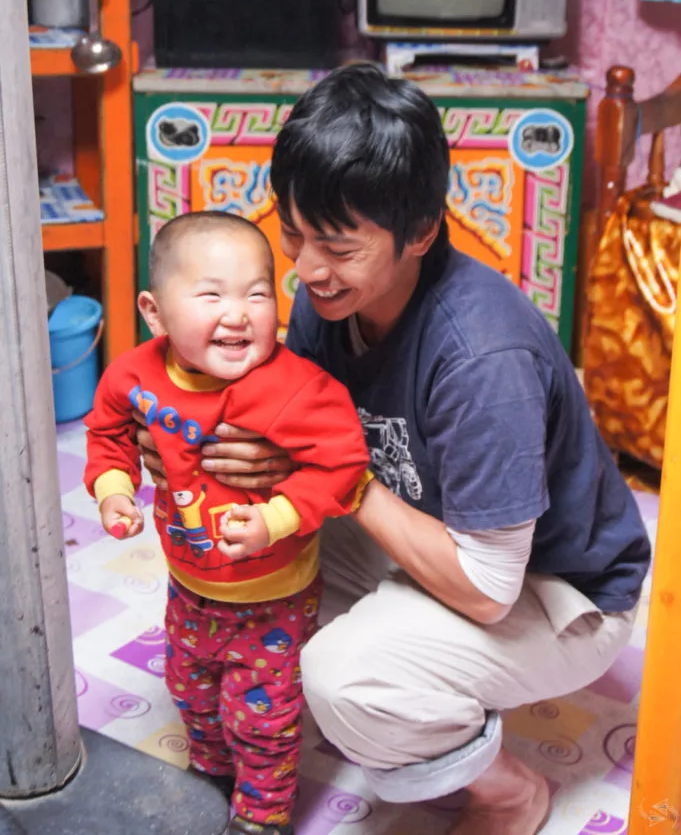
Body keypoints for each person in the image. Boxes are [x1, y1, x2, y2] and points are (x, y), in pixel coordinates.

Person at [137, 64, 651, 835]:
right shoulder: (331, 298)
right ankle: (396, 676)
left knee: (345, 677)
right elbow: (282, 434)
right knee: (233, 539)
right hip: (420, 528)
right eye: (294, 235)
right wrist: (192, 444)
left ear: (419, 232)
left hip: (553, 590)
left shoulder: (480, 358)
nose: (306, 271)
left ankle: (508, 791)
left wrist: (338, 480)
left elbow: (486, 590)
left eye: (337, 248)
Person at [84, 211, 370, 835]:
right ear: (155, 312)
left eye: (258, 294)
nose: (239, 313)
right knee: (188, 689)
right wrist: (112, 490)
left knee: (262, 714)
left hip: (275, 596)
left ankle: (261, 816)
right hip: (188, 584)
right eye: (212, 294)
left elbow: (345, 463)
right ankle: (213, 773)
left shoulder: (298, 389)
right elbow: (107, 433)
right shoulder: (135, 375)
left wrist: (277, 517)